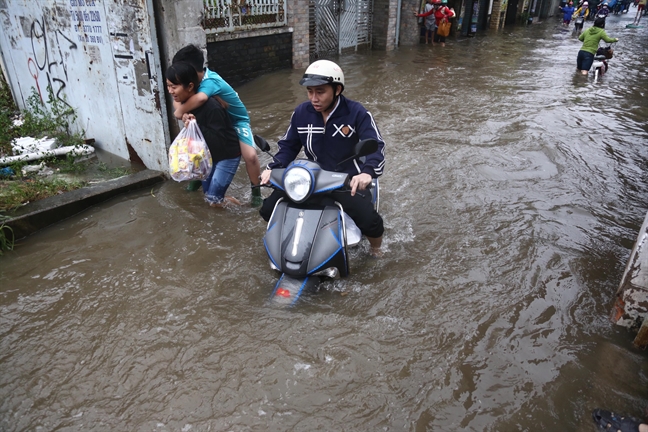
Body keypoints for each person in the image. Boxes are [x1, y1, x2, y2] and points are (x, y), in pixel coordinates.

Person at [258, 60, 386, 256]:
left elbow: (375, 145)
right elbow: (288, 146)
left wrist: (367, 172)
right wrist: (273, 167)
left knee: (370, 221)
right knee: (267, 209)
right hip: (311, 178)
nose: (314, 98)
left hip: (345, 180)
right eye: (310, 91)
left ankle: (377, 249)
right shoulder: (302, 113)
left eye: (320, 92)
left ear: (337, 89)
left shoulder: (356, 113)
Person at [171, 45, 263, 207]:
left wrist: (179, 113)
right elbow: (179, 99)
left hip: (236, 120)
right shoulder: (192, 83)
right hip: (218, 121)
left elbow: (199, 99)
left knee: (250, 156)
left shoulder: (209, 81)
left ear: (190, 70)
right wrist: (183, 112)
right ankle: (199, 180)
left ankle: (256, 192)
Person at [166, 62, 242, 207]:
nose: (170, 91)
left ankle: (242, 210)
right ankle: (232, 204)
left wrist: (196, 125)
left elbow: (219, 141)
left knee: (213, 198)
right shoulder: (186, 105)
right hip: (210, 154)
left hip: (228, 154)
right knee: (209, 196)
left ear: (190, 86)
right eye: (168, 86)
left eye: (174, 87)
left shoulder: (212, 107)